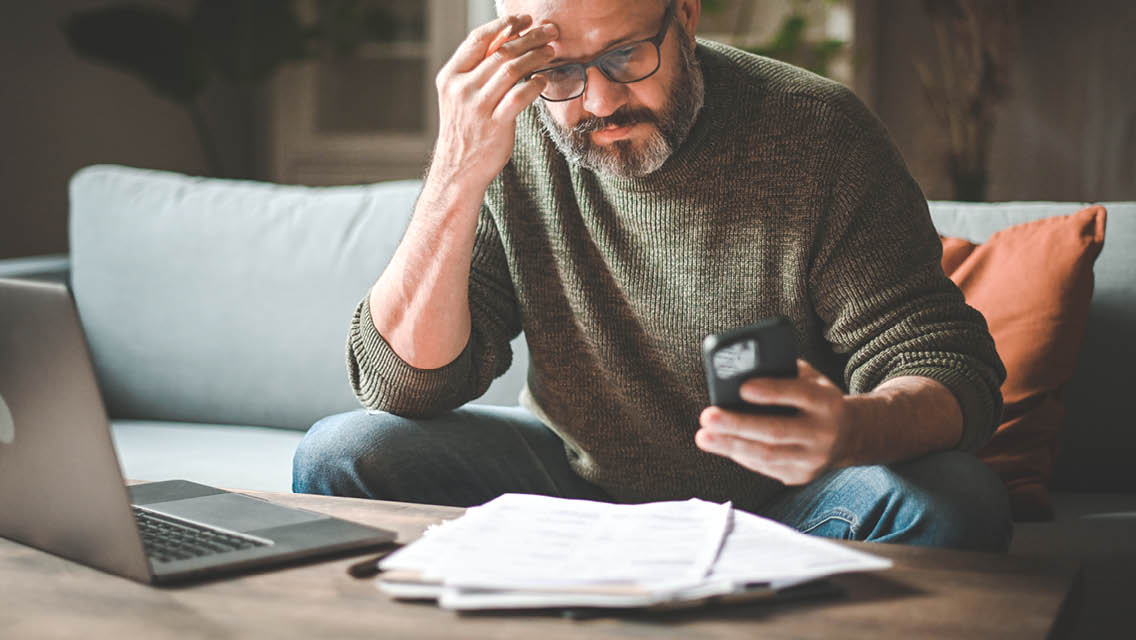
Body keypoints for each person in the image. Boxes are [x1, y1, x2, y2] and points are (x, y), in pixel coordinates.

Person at [293, 0, 1012, 551]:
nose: (599, 103)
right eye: (558, 72)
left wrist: (854, 430)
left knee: (957, 502)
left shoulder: (818, 133)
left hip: (790, 508)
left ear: (687, 18)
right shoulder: (507, 140)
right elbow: (406, 385)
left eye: (627, 54)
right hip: (572, 486)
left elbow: (946, 365)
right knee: (343, 455)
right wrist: (455, 170)